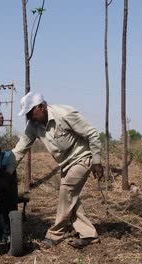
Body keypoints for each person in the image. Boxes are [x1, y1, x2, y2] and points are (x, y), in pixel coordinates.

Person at [6, 91, 104, 249]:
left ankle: (54, 235)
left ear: (41, 107)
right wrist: (8, 169)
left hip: (82, 158)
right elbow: (21, 148)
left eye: (31, 112)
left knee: (66, 192)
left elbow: (92, 134)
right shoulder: (33, 125)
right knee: (70, 199)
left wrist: (97, 161)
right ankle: (89, 235)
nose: (29, 117)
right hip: (66, 164)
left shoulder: (64, 113)